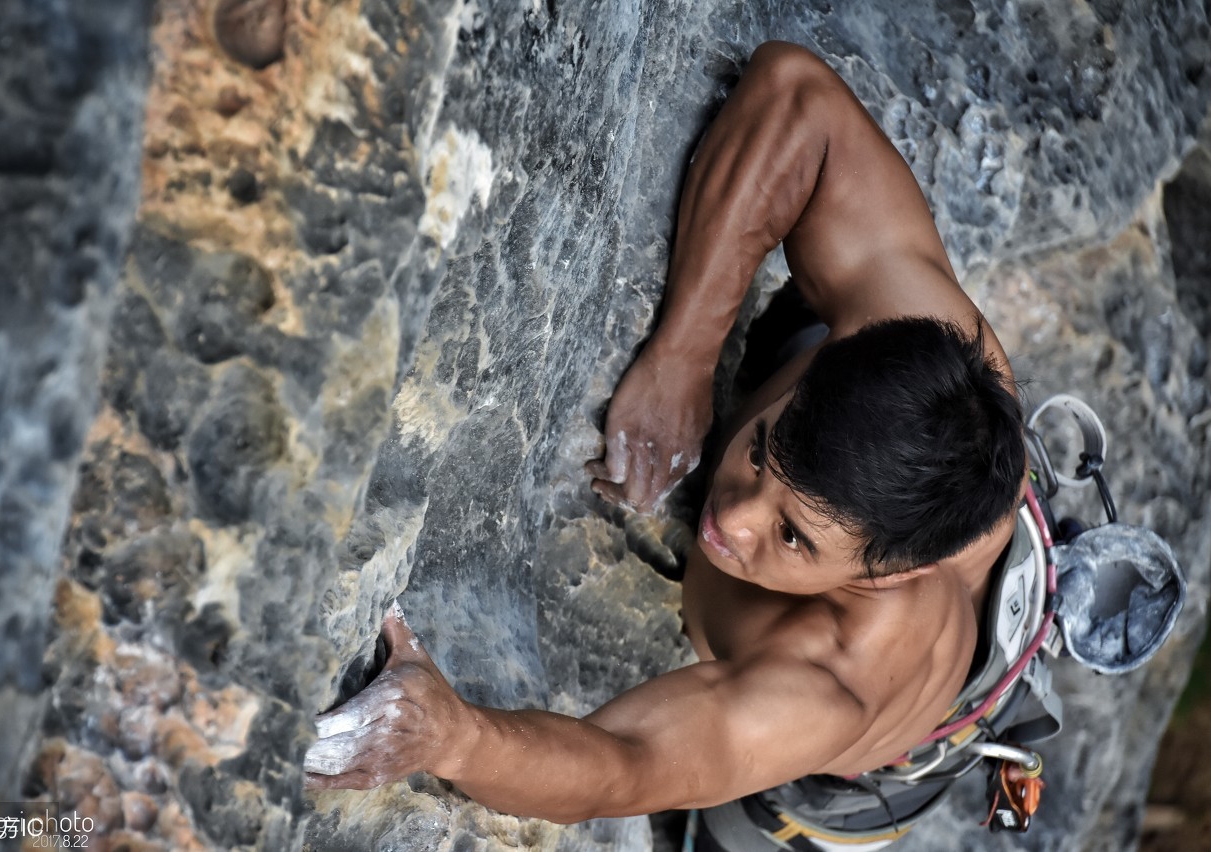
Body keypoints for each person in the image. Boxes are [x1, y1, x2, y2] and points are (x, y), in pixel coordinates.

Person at [303, 41, 1028, 844]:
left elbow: (626, 764)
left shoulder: (825, 686)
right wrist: (686, 351)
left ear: (892, 574)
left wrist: (451, 735)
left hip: (875, 747)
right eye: (761, 449)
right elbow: (799, 98)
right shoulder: (931, 348)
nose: (735, 516)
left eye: (793, 535)